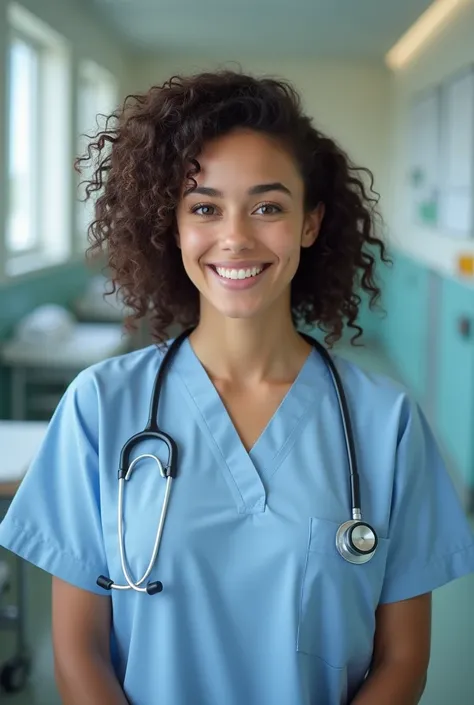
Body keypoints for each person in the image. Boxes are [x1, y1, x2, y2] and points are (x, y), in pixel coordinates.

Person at [1, 70, 473, 705]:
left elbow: (404, 658)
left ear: (310, 223)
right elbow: (78, 652)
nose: (236, 236)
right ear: (171, 225)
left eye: (268, 207)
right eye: (204, 207)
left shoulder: (385, 424)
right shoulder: (100, 406)